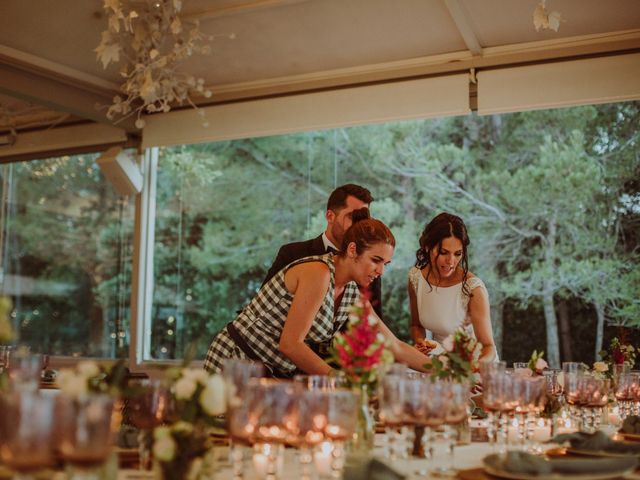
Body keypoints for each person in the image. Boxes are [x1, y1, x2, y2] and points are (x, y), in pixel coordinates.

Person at [204, 208, 430, 377]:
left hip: (268, 373)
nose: (380, 271)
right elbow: (291, 344)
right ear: (352, 250)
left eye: (385, 264)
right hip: (235, 362)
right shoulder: (319, 272)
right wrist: (339, 381)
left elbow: (394, 345)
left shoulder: (351, 292)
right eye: (375, 260)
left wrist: (444, 370)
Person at [262, 184, 383, 319]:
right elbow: (263, 306)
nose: (358, 226)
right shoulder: (292, 254)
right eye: (351, 217)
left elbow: (373, 325)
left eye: (362, 220)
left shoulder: (370, 267)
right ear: (330, 216)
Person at [408, 212, 497, 362]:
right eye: (444, 252)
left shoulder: (473, 288)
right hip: (441, 365)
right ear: (428, 247)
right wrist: (420, 342)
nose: (451, 261)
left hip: (476, 369)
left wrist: (473, 372)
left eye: (458, 254)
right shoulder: (416, 278)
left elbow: (489, 348)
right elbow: (416, 325)